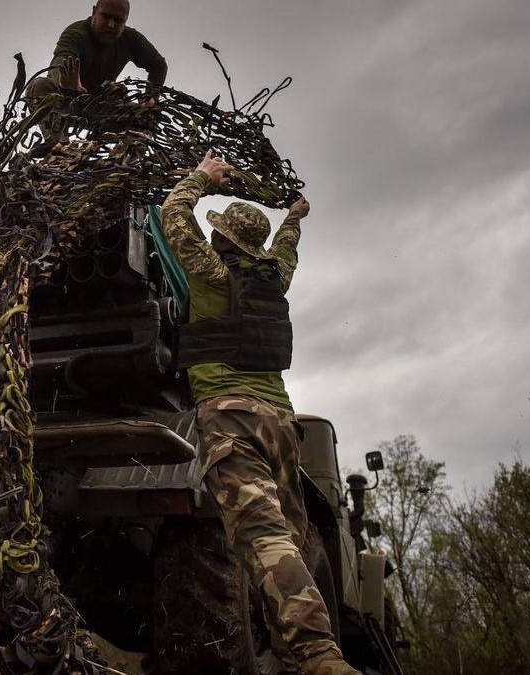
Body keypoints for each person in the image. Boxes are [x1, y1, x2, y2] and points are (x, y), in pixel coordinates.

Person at [158, 152, 361, 675]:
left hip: (231, 419)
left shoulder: (208, 271)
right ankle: (294, 661)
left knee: (263, 537)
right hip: (281, 424)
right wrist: (294, 216)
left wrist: (202, 177)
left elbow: (171, 214)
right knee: (292, 542)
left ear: (225, 239)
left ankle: (320, 657)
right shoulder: (276, 278)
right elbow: (286, 249)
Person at [26, 0, 167, 154]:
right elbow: (61, 62)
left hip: (102, 107)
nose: (111, 25)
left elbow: (158, 65)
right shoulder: (75, 33)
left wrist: (150, 97)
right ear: (94, 12)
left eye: (118, 20)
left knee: (146, 115)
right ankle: (58, 145)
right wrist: (66, 83)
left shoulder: (131, 38)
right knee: (38, 86)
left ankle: (130, 160)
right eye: (106, 17)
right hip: (68, 101)